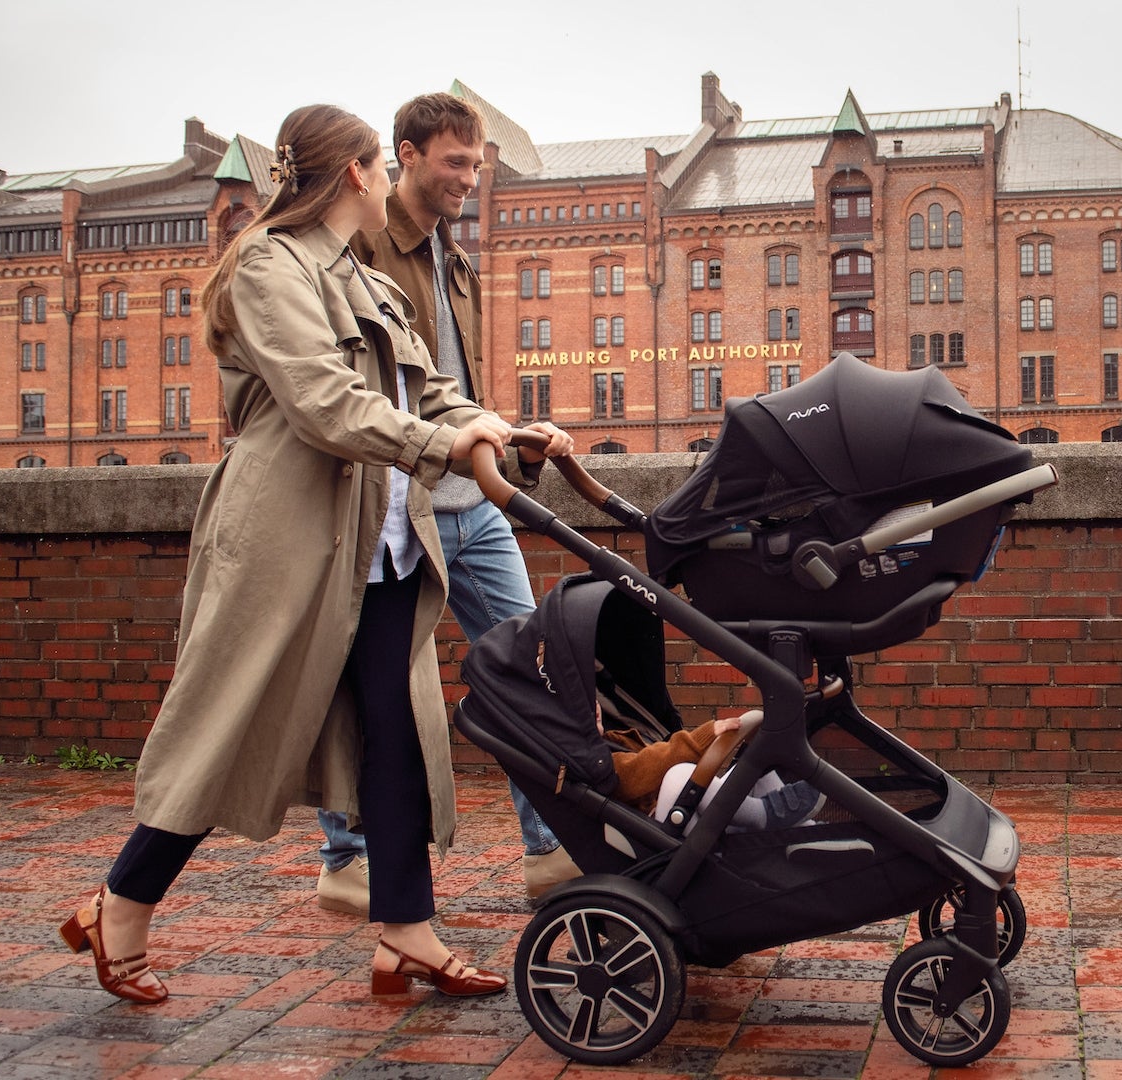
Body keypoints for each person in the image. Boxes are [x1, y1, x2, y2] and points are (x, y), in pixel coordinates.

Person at [58, 104, 513, 1004]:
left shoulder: (361, 275)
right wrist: (443, 447)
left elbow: (427, 390)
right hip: (288, 537)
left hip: (381, 543)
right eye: (381, 163)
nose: (389, 177)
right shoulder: (270, 265)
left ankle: (405, 934)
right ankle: (121, 905)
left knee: (400, 732)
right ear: (350, 173)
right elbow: (323, 401)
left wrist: (494, 426)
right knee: (225, 722)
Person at [311, 91, 578, 917]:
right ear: (406, 155)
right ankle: (346, 858)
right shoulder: (357, 251)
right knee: (374, 678)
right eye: (454, 162)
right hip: (400, 504)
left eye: (477, 163)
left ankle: (550, 848)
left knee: (531, 666)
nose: (469, 177)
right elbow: (357, 392)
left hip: (473, 501)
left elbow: (444, 387)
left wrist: (503, 432)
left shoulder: (453, 259)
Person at [605, 709, 824, 833]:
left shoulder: (614, 739)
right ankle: (762, 814)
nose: (593, 707)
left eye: (592, 702)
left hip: (691, 821)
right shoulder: (596, 761)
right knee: (679, 775)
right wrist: (703, 736)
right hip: (663, 837)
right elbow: (637, 772)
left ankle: (805, 834)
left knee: (753, 765)